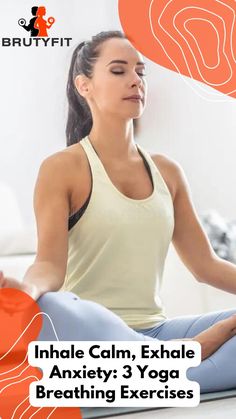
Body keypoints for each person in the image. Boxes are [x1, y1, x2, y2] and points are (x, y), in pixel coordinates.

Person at [1, 30, 236, 394]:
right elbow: (49, 267)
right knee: (58, 306)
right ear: (85, 85)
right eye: (118, 70)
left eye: (141, 72)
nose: (135, 81)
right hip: (89, 333)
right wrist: (24, 292)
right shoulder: (62, 168)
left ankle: (155, 373)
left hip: (154, 333)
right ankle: (172, 367)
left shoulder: (167, 171)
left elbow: (206, 266)